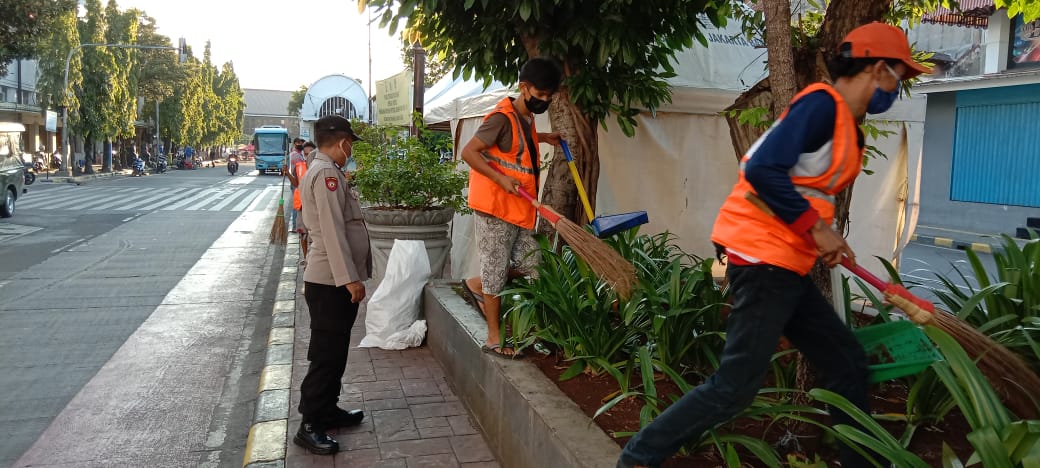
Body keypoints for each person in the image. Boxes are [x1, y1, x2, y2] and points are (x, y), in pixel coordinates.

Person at [617, 23, 930, 468]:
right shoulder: (823, 106)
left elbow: (807, 190)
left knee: (846, 362)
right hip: (763, 258)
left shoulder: (843, 124)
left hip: (785, 262)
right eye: (900, 77)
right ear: (880, 69)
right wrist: (817, 229)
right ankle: (637, 458)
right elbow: (762, 169)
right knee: (735, 387)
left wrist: (825, 233)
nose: (899, 88)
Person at [459, 57, 562, 358]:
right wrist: (498, 177)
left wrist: (544, 137)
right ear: (524, 88)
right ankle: (494, 338)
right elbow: (470, 152)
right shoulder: (500, 117)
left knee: (534, 265)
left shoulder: (525, 118)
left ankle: (476, 285)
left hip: (518, 209)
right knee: (495, 271)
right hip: (495, 208)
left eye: (549, 97)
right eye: (540, 95)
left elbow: (515, 146)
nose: (545, 101)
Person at [293, 115, 370, 456]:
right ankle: (309, 424)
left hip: (331, 280)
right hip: (329, 282)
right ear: (341, 143)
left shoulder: (329, 171)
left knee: (335, 351)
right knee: (325, 355)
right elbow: (333, 232)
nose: (350, 149)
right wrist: (349, 279)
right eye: (350, 143)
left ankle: (327, 409)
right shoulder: (326, 174)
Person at [285, 141, 315, 263]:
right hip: (302, 206)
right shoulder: (299, 166)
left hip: (315, 206)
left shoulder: (320, 167)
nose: (308, 157)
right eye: (306, 154)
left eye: (310, 154)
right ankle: (306, 258)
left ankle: (314, 259)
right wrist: (287, 173)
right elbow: (296, 183)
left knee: (315, 235)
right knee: (302, 233)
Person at [288, 138, 307, 231]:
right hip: (297, 182)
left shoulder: (299, 154)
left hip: (298, 182)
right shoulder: (295, 155)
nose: (301, 144)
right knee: (298, 204)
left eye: (302, 143)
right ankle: (295, 226)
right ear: (295, 143)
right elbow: (299, 171)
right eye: (299, 142)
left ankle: (296, 225)